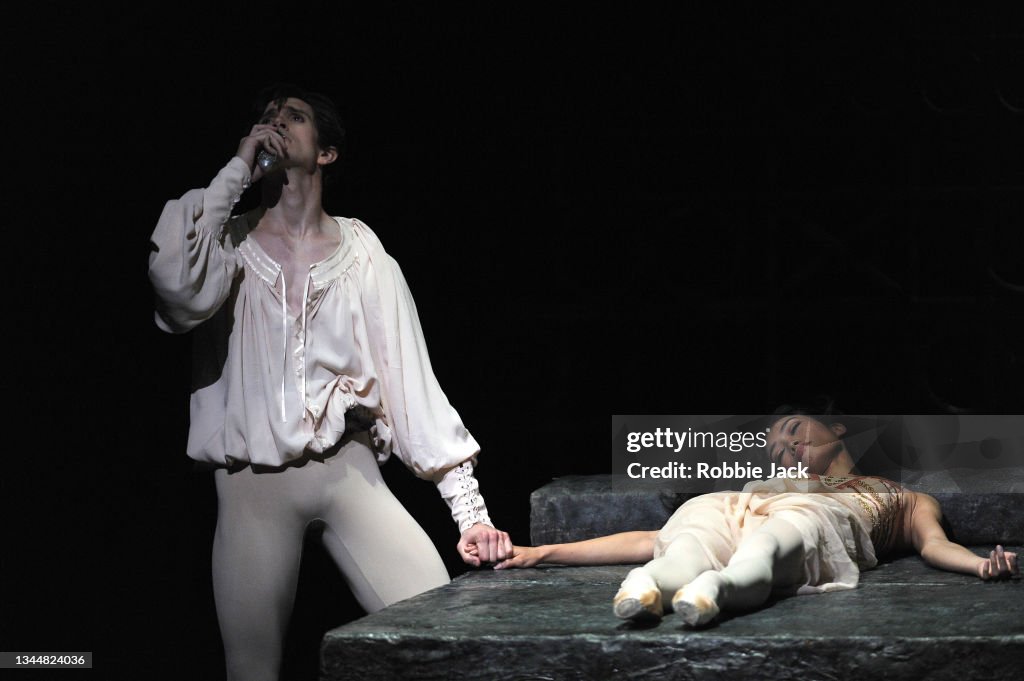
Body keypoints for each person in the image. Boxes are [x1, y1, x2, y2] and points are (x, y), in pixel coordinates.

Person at [148, 83, 511, 680]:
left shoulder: (363, 252)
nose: (275, 123)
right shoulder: (225, 247)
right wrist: (237, 170)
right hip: (252, 490)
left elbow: (411, 384)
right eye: (266, 117)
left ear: (327, 153)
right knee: (253, 671)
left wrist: (469, 513)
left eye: (293, 117)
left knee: (445, 639)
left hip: (349, 475)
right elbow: (174, 286)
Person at [495, 411, 1018, 626]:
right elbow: (651, 534)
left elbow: (932, 546)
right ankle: (648, 584)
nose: (787, 446)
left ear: (835, 427)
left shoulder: (901, 497)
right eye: (778, 448)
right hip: (730, 508)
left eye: (793, 430)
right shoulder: (764, 486)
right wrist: (540, 553)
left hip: (817, 520)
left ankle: (717, 591)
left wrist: (978, 566)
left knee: (774, 539)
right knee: (686, 541)